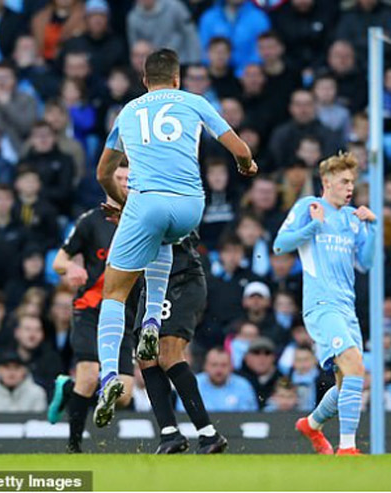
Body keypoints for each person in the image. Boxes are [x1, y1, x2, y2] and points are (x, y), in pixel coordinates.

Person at [93, 49, 255, 443]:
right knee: (162, 238)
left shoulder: (129, 112)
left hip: (147, 201)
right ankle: (151, 321)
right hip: (190, 206)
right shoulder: (195, 102)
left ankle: (109, 376)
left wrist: (123, 200)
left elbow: (103, 173)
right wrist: (246, 166)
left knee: (112, 293)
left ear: (145, 80)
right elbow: (239, 147)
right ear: (178, 79)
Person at [273, 152, 377, 455]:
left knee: (348, 382)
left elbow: (367, 263)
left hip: (347, 307)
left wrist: (370, 227)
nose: (349, 188)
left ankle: (312, 424)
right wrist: (313, 228)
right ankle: (348, 448)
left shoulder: (350, 218)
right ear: (326, 182)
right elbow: (280, 244)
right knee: (356, 366)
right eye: (344, 182)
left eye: (352, 183)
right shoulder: (310, 207)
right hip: (321, 304)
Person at [46, 164, 137, 453]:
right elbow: (58, 261)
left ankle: (67, 388)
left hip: (125, 312)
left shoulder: (141, 219)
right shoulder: (90, 221)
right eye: (118, 178)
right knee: (89, 376)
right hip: (91, 308)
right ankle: (73, 448)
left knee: (123, 395)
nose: (123, 184)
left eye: (128, 179)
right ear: (108, 183)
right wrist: (71, 267)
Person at [134, 231, 226, 454]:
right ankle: (169, 434)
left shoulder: (173, 198)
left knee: (168, 353)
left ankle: (208, 434)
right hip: (153, 280)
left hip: (181, 276)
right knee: (146, 356)